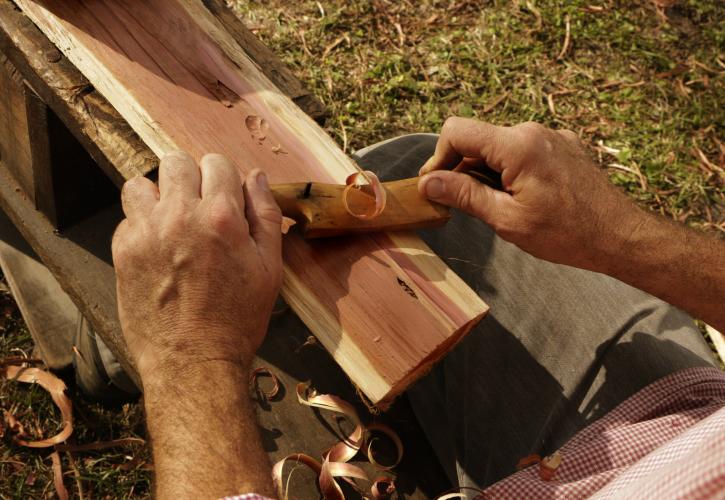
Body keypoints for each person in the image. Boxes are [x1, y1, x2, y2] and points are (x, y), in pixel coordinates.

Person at [112, 118, 725, 499]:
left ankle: (103, 345)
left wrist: (188, 350)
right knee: (409, 170)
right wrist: (619, 234)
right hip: (685, 424)